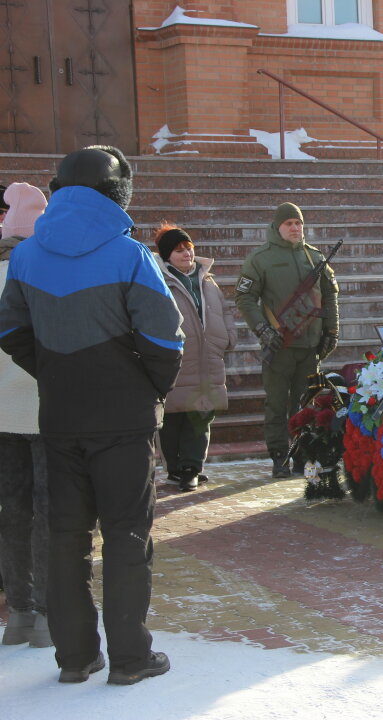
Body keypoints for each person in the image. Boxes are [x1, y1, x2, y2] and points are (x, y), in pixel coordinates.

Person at [0, 146, 182, 684]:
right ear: (116, 193)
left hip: (59, 416)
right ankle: (130, 658)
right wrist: (146, 389)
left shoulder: (28, 256)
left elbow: (11, 331)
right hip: (123, 421)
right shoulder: (130, 255)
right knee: (127, 534)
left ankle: (74, 658)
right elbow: (164, 338)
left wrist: (54, 374)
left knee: (65, 535)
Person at [235, 202, 340, 479]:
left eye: (298, 223)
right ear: (277, 227)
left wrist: (332, 331)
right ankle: (280, 456)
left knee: (307, 404)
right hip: (279, 345)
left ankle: (302, 455)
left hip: (310, 346)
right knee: (277, 403)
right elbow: (244, 297)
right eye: (289, 223)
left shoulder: (315, 257)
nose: (295, 228)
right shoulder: (261, 258)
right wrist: (262, 329)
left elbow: (329, 296)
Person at [0, 182, 51, 648]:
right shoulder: (42, 274)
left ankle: (18, 614)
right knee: (49, 511)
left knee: (11, 512)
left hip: (0, 416)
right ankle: (49, 616)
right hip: (44, 411)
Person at [154, 225, 236, 491]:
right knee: (173, 417)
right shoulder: (160, 280)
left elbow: (224, 312)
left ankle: (192, 467)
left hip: (208, 358)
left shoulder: (207, 281)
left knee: (201, 414)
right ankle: (175, 468)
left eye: (188, 248)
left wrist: (227, 338)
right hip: (177, 359)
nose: (186, 254)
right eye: (179, 250)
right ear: (168, 256)